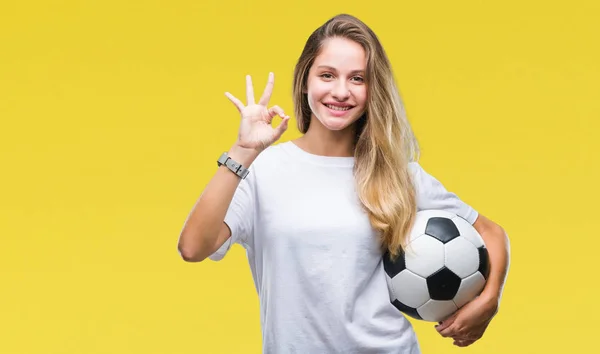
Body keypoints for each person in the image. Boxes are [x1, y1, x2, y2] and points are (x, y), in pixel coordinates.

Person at [178, 13, 510, 354]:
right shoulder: (264, 170)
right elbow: (193, 247)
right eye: (327, 75)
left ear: (372, 89)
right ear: (305, 80)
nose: (341, 91)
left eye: (357, 79)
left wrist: (490, 299)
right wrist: (243, 151)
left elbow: (491, 232)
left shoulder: (396, 173)